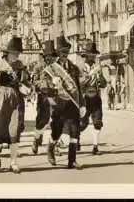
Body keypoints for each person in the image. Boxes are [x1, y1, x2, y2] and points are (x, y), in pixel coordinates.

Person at [0, 37, 29, 173]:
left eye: (17, 53)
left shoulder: (20, 65)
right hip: (1, 97)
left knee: (14, 129)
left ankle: (13, 162)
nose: (16, 55)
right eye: (14, 53)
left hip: (15, 98)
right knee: (0, 127)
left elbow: (26, 81)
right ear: (8, 53)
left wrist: (27, 88)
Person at [45, 35, 86, 170]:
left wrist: (82, 104)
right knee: (56, 131)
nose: (64, 55)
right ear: (58, 54)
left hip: (72, 104)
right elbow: (42, 85)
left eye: (66, 52)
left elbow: (78, 87)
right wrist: (52, 84)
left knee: (75, 131)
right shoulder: (52, 69)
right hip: (58, 104)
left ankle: (72, 160)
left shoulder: (73, 68)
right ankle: (51, 148)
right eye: (62, 53)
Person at [78, 41, 107, 155]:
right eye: (91, 55)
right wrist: (90, 74)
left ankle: (95, 146)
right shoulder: (81, 68)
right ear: (86, 56)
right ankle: (76, 138)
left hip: (95, 97)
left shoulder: (97, 67)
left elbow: (104, 84)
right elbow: (79, 83)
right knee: (82, 123)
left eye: (94, 55)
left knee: (98, 121)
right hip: (84, 98)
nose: (93, 57)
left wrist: (100, 76)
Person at [31, 40, 56, 155]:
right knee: (42, 121)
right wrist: (43, 85)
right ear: (44, 56)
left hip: (55, 97)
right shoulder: (38, 67)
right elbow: (34, 82)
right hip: (44, 98)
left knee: (56, 120)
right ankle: (36, 138)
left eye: (52, 56)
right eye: (48, 56)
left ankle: (55, 145)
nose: (50, 59)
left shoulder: (57, 68)